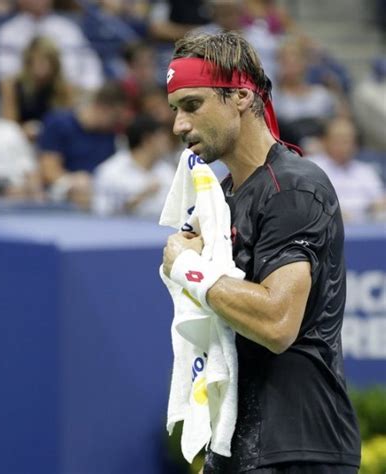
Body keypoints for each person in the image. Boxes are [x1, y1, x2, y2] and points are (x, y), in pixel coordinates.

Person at [162, 31, 361, 473]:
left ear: (239, 97)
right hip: (240, 444)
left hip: (298, 448)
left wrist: (190, 268)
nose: (179, 125)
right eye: (176, 110)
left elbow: (277, 322)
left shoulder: (293, 186)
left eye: (192, 105)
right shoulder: (223, 198)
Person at [37, 81, 131, 208]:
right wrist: (70, 182)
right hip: (59, 198)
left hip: (97, 200)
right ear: (102, 108)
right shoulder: (58, 123)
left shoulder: (112, 137)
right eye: (115, 116)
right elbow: (48, 170)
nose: (117, 123)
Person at [0, 0, 104, 91]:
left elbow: (90, 65)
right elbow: (4, 73)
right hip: (25, 96)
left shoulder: (68, 28)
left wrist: (88, 90)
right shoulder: (7, 32)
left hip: (69, 94)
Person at [93, 114, 174, 218]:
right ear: (148, 140)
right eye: (162, 136)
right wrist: (138, 198)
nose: (167, 142)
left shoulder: (167, 172)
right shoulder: (111, 171)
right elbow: (99, 212)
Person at [308, 117, 385, 223]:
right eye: (339, 139)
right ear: (325, 141)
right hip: (325, 228)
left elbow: (381, 201)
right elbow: (307, 204)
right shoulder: (310, 167)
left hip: (364, 229)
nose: (345, 145)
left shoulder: (366, 171)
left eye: (349, 140)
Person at [0, 36, 74, 142]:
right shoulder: (12, 85)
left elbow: (68, 124)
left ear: (54, 63)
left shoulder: (65, 88)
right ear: (28, 62)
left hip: (53, 141)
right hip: (21, 139)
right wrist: (22, 130)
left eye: (45, 60)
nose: (41, 65)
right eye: (36, 60)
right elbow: (9, 125)